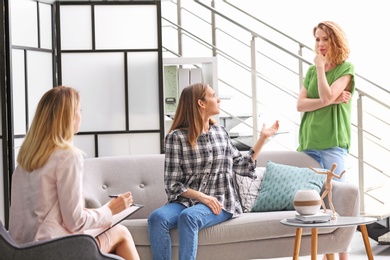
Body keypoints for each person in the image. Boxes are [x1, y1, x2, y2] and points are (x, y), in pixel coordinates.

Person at [147, 83, 279, 260]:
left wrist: (263, 138)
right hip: (186, 201)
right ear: (201, 103)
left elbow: (241, 165)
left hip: (220, 200)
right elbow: (172, 184)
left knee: (189, 218)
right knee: (157, 218)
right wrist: (202, 197)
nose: (218, 100)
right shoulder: (175, 138)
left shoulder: (220, 132)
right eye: (213, 95)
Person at [9, 86, 140, 260]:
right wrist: (110, 210)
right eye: (79, 110)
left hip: (22, 251)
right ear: (68, 117)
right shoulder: (68, 157)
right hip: (53, 250)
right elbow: (75, 222)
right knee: (121, 232)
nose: (81, 115)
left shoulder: (23, 163)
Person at [296, 21, 355, 260]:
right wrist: (331, 99)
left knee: (336, 203)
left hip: (332, 143)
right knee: (314, 205)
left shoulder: (346, 69)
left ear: (335, 41)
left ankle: (342, 257)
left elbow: (324, 94)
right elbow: (300, 105)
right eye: (317, 39)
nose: (320, 44)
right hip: (308, 142)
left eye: (325, 39)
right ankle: (324, 255)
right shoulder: (310, 71)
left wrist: (321, 70)